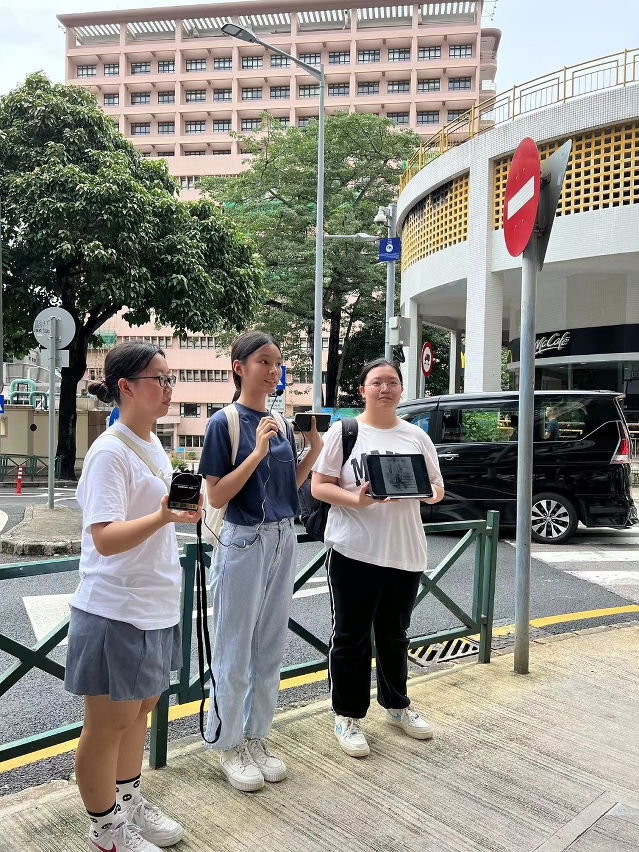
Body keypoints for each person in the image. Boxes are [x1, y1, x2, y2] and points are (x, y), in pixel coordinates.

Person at [65, 342, 202, 852]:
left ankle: (128, 803)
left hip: (155, 603)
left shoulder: (152, 444)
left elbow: (153, 517)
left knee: (140, 709)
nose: (168, 389)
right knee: (108, 725)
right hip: (115, 607)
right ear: (125, 387)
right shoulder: (110, 451)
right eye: (159, 379)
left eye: (170, 379)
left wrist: (175, 513)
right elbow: (104, 538)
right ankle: (106, 831)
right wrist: (164, 516)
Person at [198, 330, 322, 791]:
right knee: (233, 647)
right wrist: (255, 453)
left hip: (283, 537)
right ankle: (227, 743)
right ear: (239, 367)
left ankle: (256, 737)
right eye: (264, 362)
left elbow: (289, 486)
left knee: (269, 648)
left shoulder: (280, 422)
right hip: (244, 539)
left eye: (277, 363)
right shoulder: (224, 422)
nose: (273, 371)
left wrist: (315, 449)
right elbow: (217, 495)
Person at [311, 358, 445, 758]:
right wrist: (357, 500)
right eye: (376, 382)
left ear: (402, 389)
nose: (384, 389)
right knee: (350, 636)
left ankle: (397, 704)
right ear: (363, 389)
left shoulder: (416, 436)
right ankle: (347, 715)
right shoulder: (345, 432)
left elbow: (437, 487)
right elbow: (319, 486)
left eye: (392, 382)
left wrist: (423, 492)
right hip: (354, 549)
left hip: (405, 550)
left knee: (395, 634)